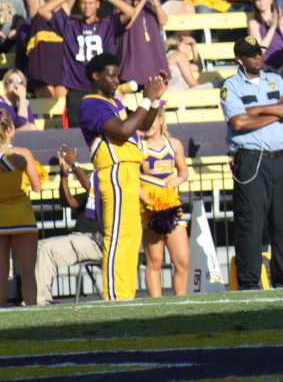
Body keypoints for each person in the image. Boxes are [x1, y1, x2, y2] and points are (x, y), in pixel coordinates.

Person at [79, 52, 167, 300]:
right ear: (95, 76)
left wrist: (155, 99)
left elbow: (143, 123)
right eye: (110, 75)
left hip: (129, 173)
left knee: (131, 237)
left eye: (118, 75)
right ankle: (115, 297)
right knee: (117, 237)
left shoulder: (115, 103)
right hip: (114, 172)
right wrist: (145, 99)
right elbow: (125, 130)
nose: (116, 80)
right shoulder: (90, 103)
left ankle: (125, 295)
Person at [220, 36, 283, 290]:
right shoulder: (231, 85)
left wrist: (258, 111)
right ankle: (249, 283)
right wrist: (277, 112)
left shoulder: (274, 79)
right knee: (250, 224)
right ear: (239, 59)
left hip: (280, 158)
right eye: (252, 54)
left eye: (259, 52)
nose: (259, 56)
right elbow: (239, 123)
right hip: (250, 159)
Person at [39, 0, 135, 126]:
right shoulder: (70, 25)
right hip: (76, 88)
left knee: (104, 129)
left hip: (102, 88)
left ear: (97, 4)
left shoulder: (108, 24)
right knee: (77, 133)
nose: (87, 6)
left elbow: (130, 12)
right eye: (83, 2)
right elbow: (43, 10)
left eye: (90, 3)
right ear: (78, 4)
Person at [34, 143, 101, 305]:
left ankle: (41, 301)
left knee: (46, 249)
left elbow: (91, 187)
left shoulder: (110, 186)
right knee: (36, 247)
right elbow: (67, 202)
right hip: (80, 238)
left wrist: (74, 164)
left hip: (97, 240)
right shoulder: (90, 194)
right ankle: (34, 298)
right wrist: (64, 174)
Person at [139, 108, 189, 297]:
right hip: (149, 209)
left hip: (171, 206)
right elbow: (133, 181)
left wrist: (176, 180)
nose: (149, 124)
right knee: (155, 261)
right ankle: (156, 306)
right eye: (144, 120)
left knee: (182, 260)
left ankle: (180, 303)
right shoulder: (137, 148)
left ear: (160, 119)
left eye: (152, 119)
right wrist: (148, 201)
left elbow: (184, 172)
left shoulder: (174, 144)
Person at [0, 112, 41, 307]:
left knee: (0, 272)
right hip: (23, 216)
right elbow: (37, 187)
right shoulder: (22, 154)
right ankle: (32, 311)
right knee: (27, 272)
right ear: (10, 129)